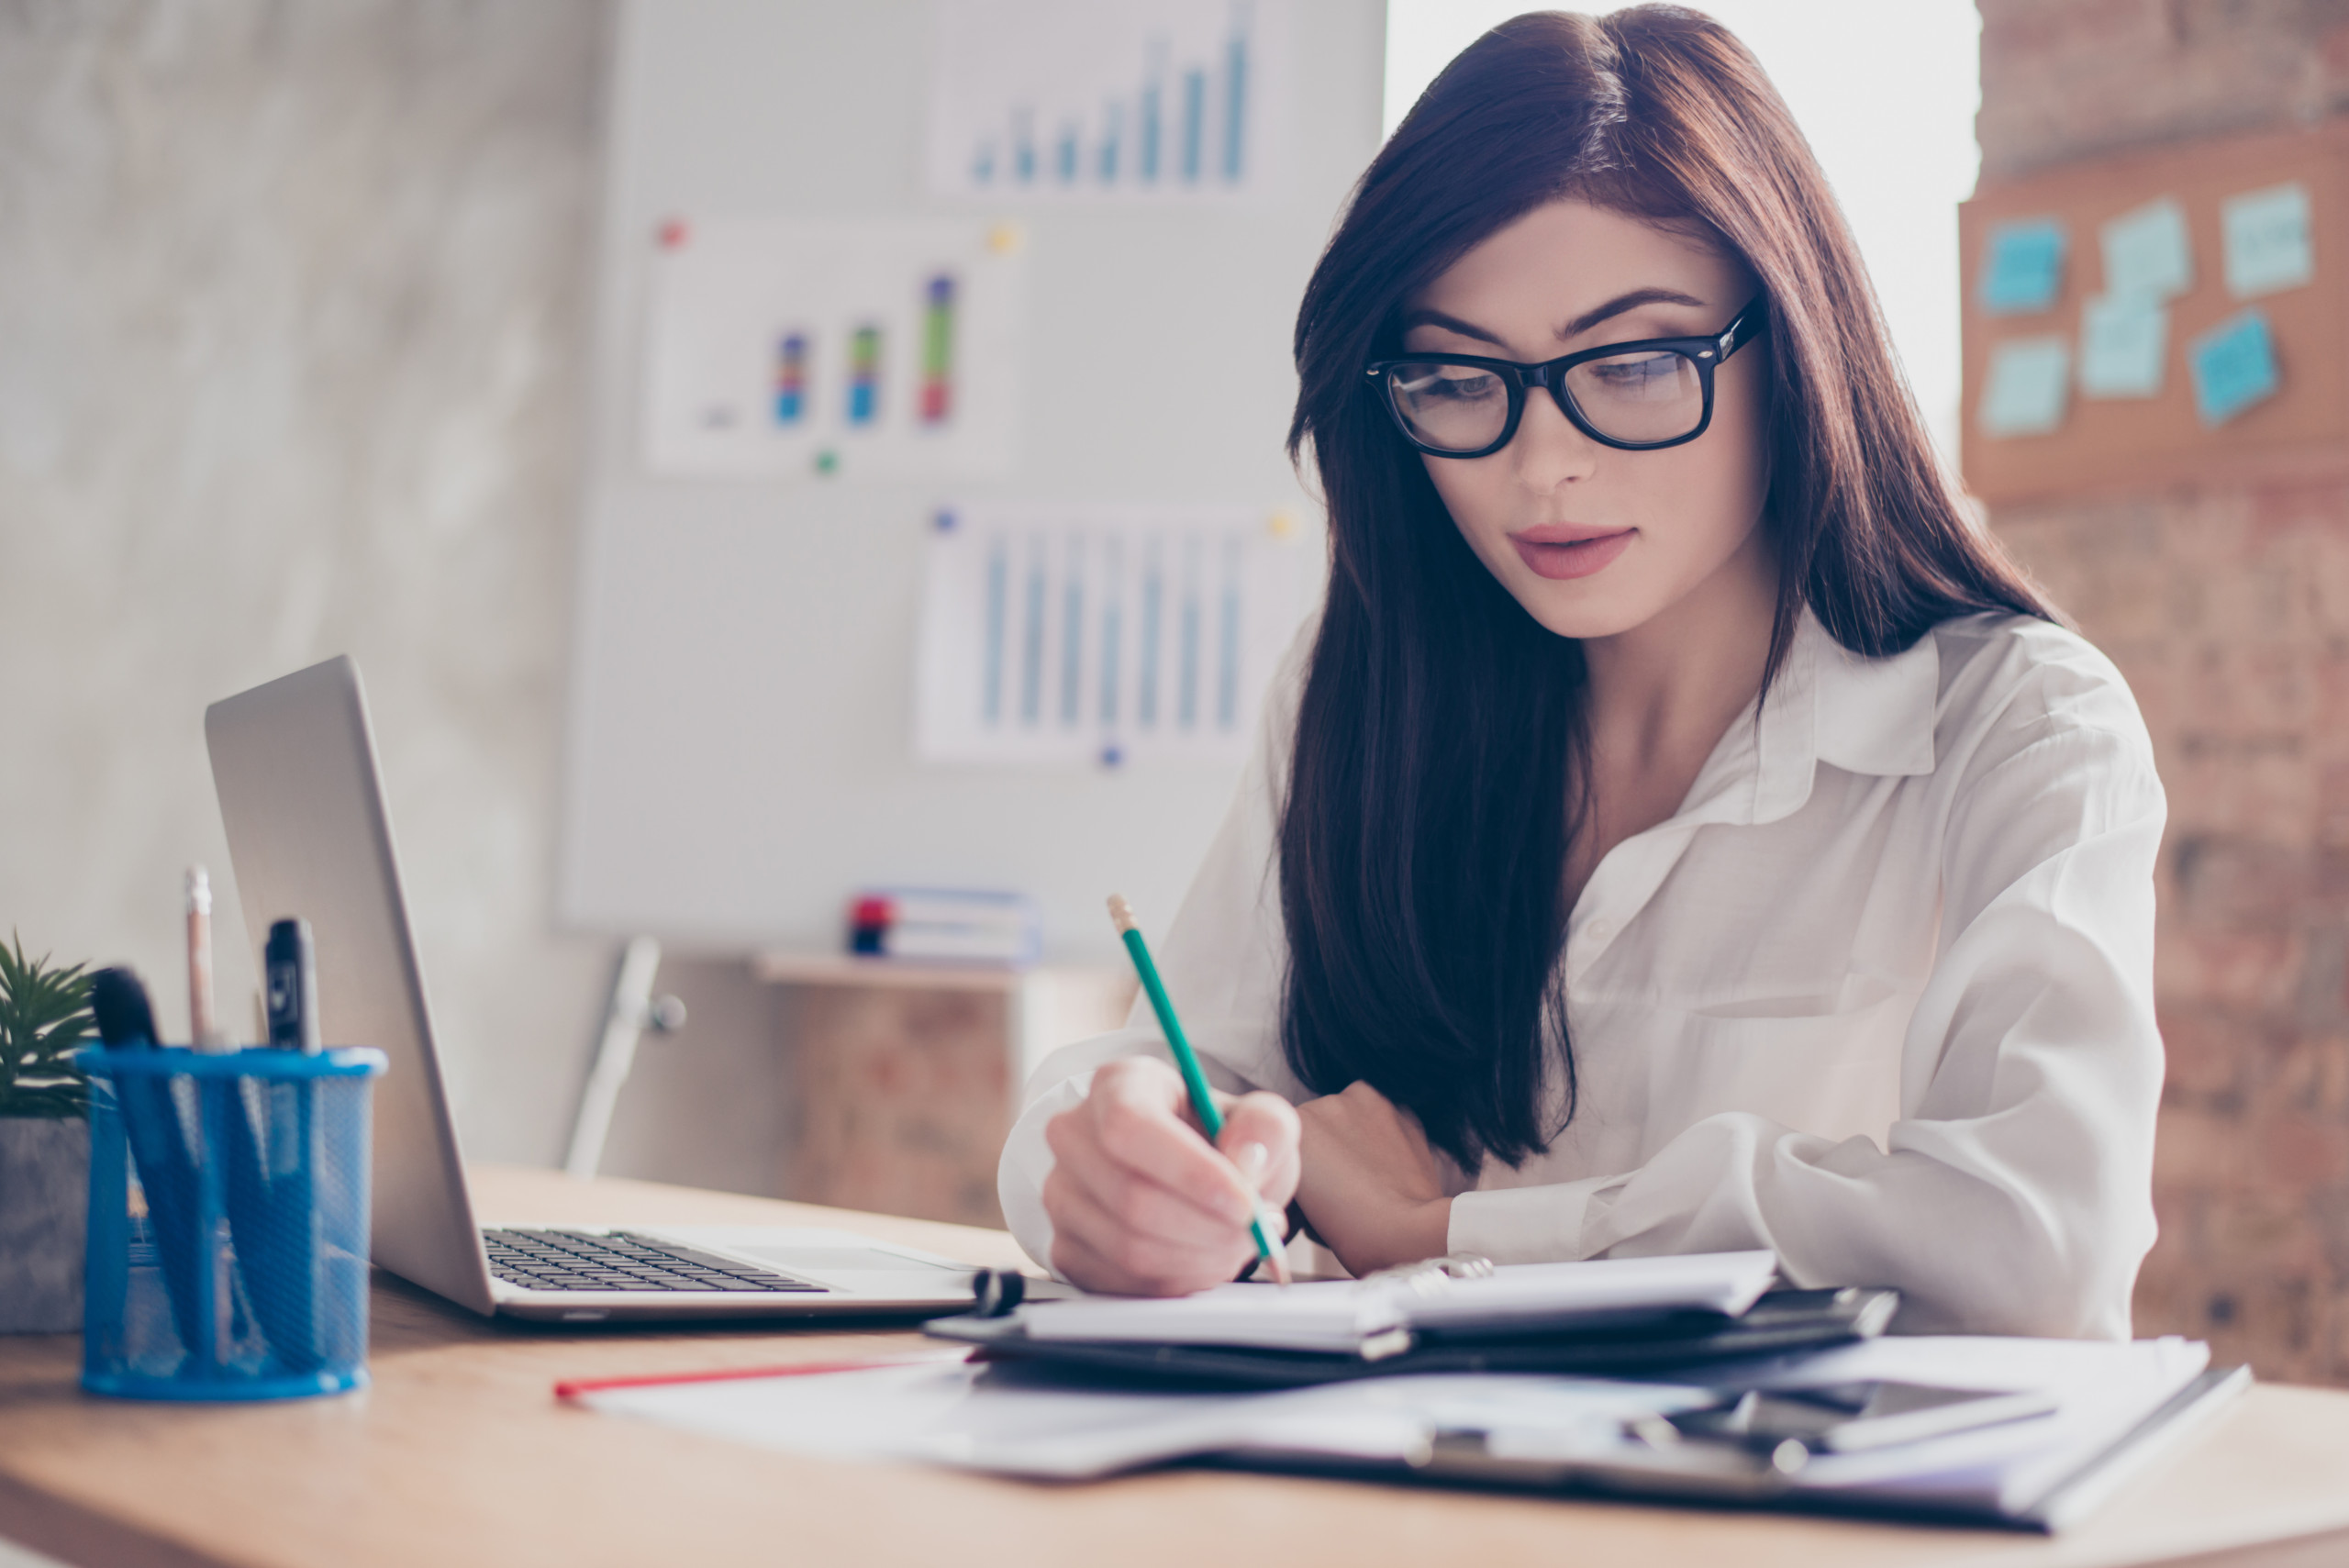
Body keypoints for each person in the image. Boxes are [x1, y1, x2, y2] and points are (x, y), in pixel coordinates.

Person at [997, 6, 2164, 1338]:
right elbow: (1187, 1069)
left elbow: (2036, 1245)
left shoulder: (2019, 727)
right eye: (1455, 376)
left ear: (1792, 346)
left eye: (1635, 363)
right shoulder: (1363, 682)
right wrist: (1099, 1161)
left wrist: (1451, 1240)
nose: (1541, 463)